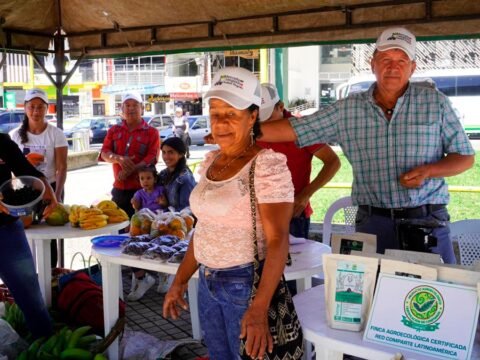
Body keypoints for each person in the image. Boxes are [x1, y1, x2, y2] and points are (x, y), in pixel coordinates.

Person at [259, 27, 475, 264]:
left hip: (426, 223)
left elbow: (464, 156)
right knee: (367, 297)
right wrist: (242, 133)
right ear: (373, 64)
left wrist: (428, 171)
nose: (393, 67)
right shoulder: (348, 109)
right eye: (385, 59)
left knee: (432, 295)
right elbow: (295, 129)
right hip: (373, 224)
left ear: (412, 68)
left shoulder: (436, 103)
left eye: (402, 60)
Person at [163, 67, 295, 359]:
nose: (221, 122)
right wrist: (180, 281)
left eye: (231, 113)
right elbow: (204, 229)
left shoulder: (267, 166)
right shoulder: (211, 161)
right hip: (207, 284)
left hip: (244, 285)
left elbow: (278, 240)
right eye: (214, 112)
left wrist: (259, 309)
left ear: (252, 117)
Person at [257, 83, 340, 239]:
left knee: (295, 262)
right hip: (258, 212)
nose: (264, 125)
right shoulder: (252, 130)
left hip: (293, 213)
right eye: (259, 119)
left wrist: (305, 195)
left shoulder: (301, 129)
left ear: (280, 107)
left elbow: (333, 162)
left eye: (268, 116)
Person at [0, 133, 58, 338]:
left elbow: (27, 171)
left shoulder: (2, 141)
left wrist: (48, 191)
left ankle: (45, 344)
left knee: (31, 299)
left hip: (6, 230)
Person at [127, 137, 196, 300]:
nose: (166, 156)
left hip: (179, 225)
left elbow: (188, 209)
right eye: (163, 152)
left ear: (181, 154)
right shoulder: (164, 174)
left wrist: (167, 220)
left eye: (171, 152)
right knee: (132, 238)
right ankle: (146, 277)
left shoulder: (184, 178)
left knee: (142, 244)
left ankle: (159, 278)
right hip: (162, 220)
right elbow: (152, 192)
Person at [10, 88, 68, 267]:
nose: (36, 111)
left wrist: (56, 195)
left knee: (49, 234)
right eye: (32, 107)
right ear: (25, 108)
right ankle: (31, 273)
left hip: (49, 188)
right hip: (24, 192)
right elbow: (11, 170)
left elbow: (61, 166)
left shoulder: (55, 133)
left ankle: (50, 274)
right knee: (25, 232)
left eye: (40, 107)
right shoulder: (14, 136)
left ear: (47, 108)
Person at [100, 92, 160, 218]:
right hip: (119, 188)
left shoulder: (152, 132)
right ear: (122, 109)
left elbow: (152, 157)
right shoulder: (113, 130)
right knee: (119, 229)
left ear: (142, 109)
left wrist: (133, 168)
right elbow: (104, 152)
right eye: (127, 105)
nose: (131, 108)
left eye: (135, 105)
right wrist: (118, 159)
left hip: (144, 191)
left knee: (142, 229)